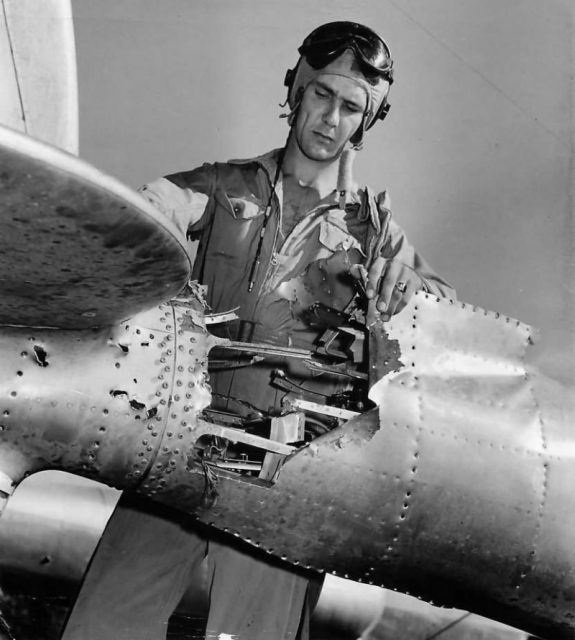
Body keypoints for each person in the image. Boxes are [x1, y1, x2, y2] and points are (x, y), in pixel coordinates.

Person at [61, 21, 455, 640]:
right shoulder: (219, 188)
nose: (330, 117)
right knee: (102, 626)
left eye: (351, 107)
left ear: (366, 121)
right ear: (295, 90)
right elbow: (133, 218)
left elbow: (444, 314)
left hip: (285, 476)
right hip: (185, 448)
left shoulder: (377, 236)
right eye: (321, 94)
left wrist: (407, 283)